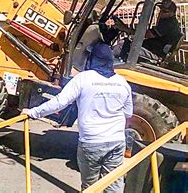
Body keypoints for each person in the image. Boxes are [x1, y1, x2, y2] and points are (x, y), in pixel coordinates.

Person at [21, 42, 133, 192]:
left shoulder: (83, 79)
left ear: (93, 59)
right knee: (113, 185)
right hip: (116, 141)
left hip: (91, 142)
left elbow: (60, 102)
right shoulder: (122, 82)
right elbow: (128, 113)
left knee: (90, 186)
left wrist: (33, 112)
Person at [114, 1, 182, 61]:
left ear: (172, 13)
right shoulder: (168, 22)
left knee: (122, 45)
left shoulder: (168, 23)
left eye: (164, 11)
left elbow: (147, 34)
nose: (161, 13)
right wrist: (126, 28)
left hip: (155, 52)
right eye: (160, 10)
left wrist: (125, 29)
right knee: (125, 43)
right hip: (153, 48)